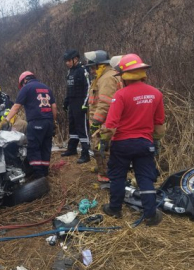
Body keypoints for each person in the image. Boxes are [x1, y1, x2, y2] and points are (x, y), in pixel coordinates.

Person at [100, 53, 165, 226]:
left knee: (118, 176)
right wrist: (155, 141)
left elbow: (110, 125)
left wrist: (104, 141)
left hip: (122, 144)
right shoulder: (156, 94)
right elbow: (159, 125)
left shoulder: (120, 95)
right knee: (145, 178)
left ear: (124, 76)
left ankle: (115, 209)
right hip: (145, 143)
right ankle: (151, 215)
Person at [0, 71, 58, 179]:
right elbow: (54, 107)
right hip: (49, 122)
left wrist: (6, 120)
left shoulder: (26, 88)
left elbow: (16, 107)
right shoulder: (47, 88)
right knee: (46, 147)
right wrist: (53, 122)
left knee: (33, 148)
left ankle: (38, 175)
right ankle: (45, 172)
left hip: (36, 122)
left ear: (24, 81)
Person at [84, 50, 122, 182]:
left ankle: (105, 174)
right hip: (106, 120)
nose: (92, 71)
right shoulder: (106, 76)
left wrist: (96, 121)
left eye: (93, 68)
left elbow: (106, 103)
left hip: (103, 121)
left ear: (100, 65)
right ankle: (103, 168)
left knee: (101, 146)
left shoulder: (106, 79)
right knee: (104, 146)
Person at [61, 49, 91, 164]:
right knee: (72, 127)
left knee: (82, 128)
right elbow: (69, 89)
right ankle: (72, 149)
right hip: (72, 103)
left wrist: (85, 104)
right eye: (66, 61)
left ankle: (85, 153)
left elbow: (88, 87)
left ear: (76, 59)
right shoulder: (70, 72)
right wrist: (66, 102)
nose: (67, 63)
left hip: (80, 103)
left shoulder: (83, 70)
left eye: (68, 60)